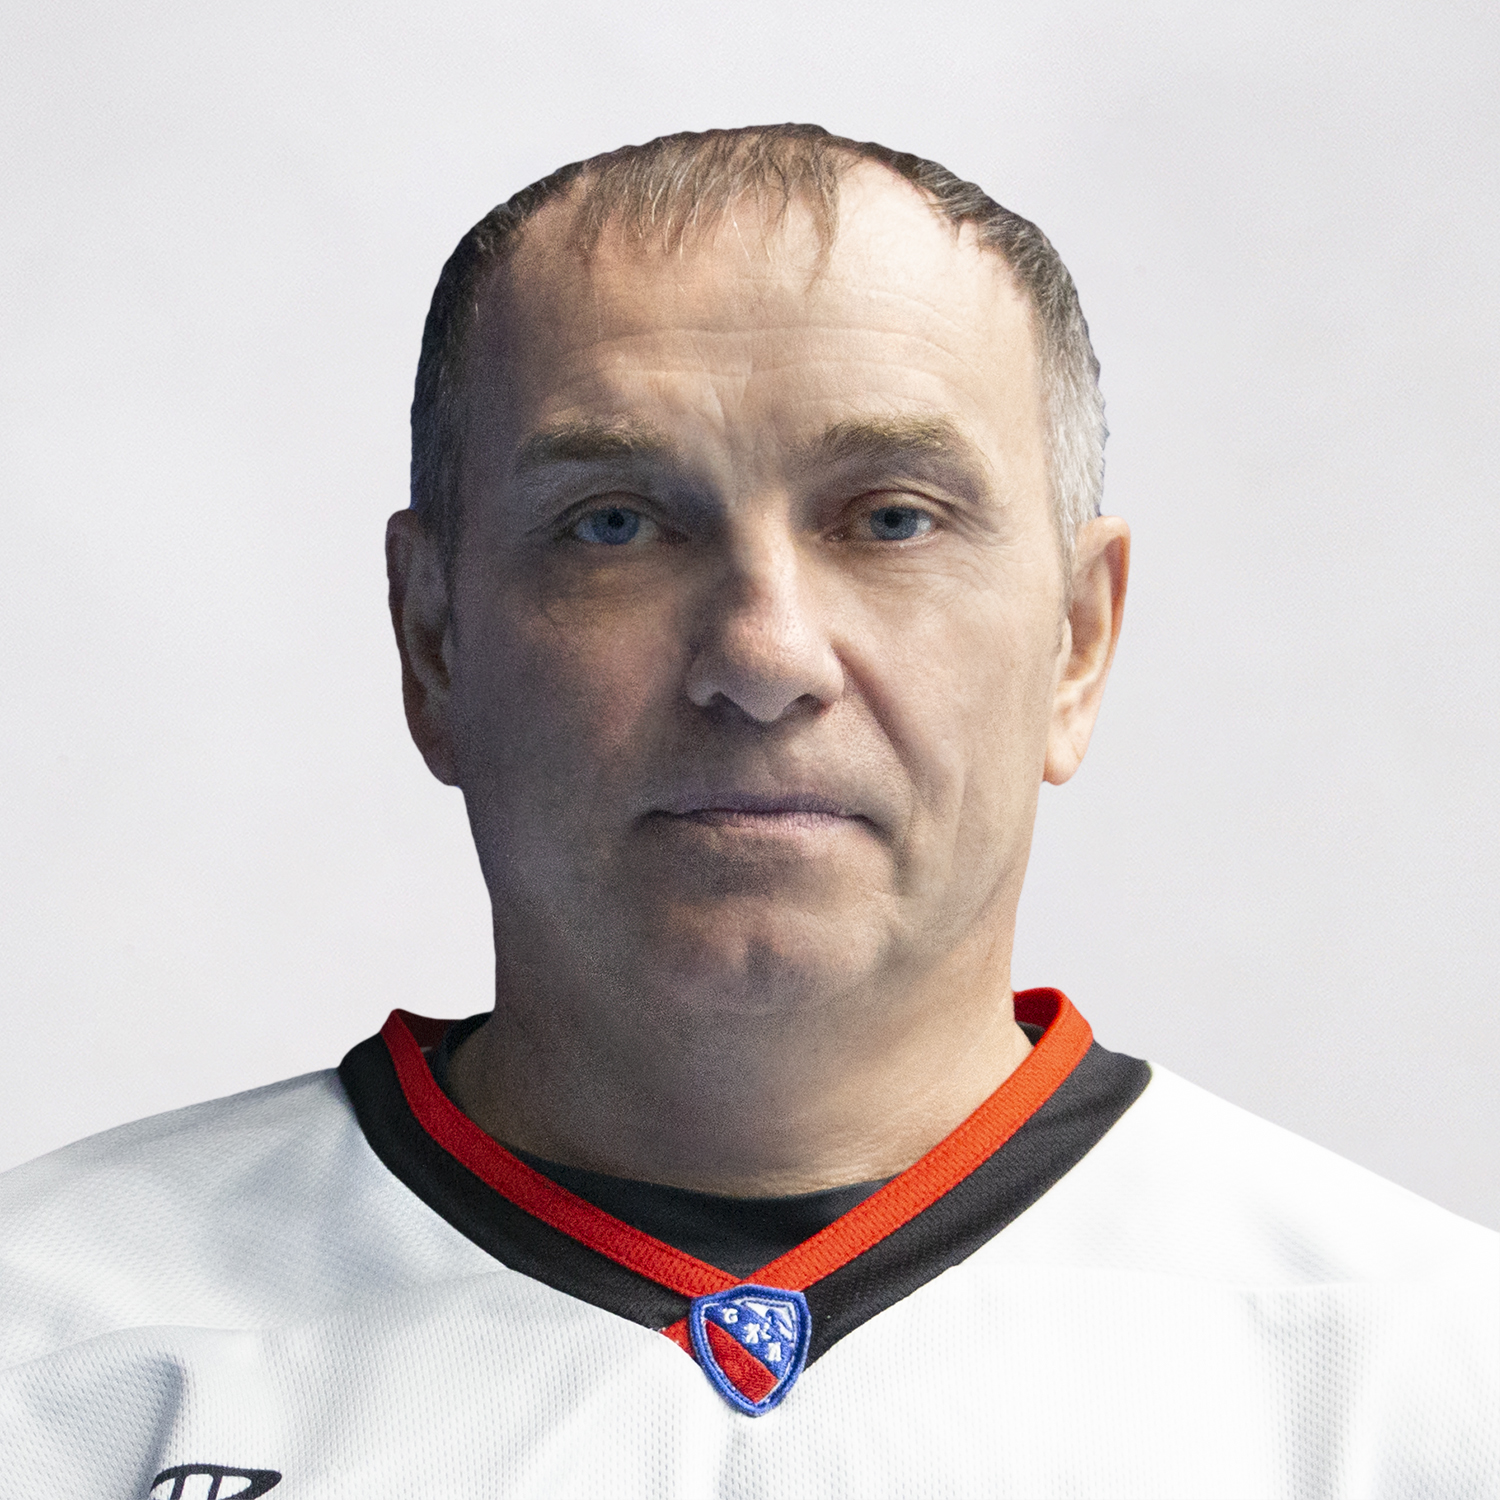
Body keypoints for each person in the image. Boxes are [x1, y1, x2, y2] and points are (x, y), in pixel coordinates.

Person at [1, 125, 1494, 1499]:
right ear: (434, 640)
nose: (765, 656)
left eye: (892, 518)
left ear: (1077, 646)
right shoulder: (48, 1359)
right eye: (614, 525)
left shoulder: (1429, 1389)